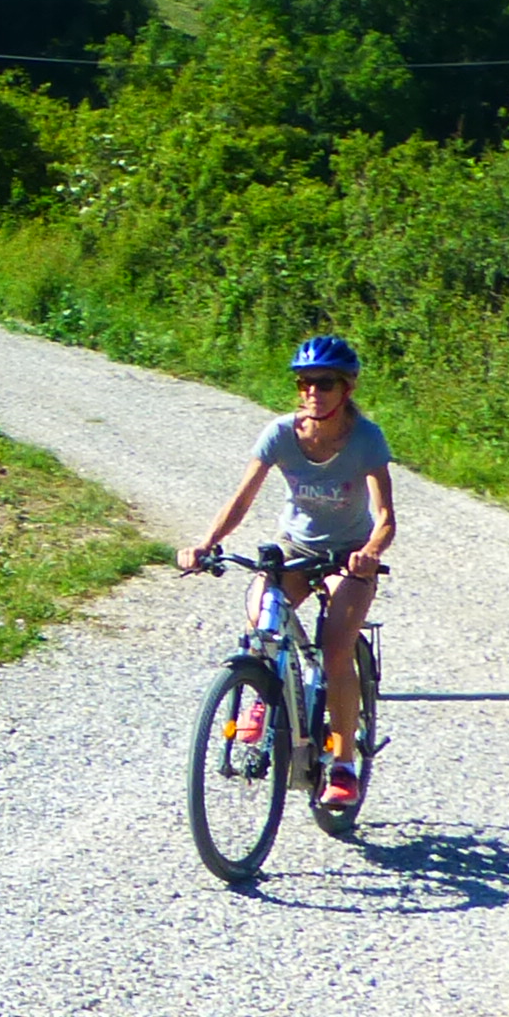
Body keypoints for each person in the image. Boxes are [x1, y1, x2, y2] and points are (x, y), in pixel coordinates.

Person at [180, 333, 396, 809]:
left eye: (324, 383)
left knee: (336, 651)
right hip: (294, 548)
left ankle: (342, 765)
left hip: (348, 553)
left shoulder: (366, 439)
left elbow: (385, 518)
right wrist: (206, 543)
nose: (312, 392)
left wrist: (371, 552)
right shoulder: (280, 434)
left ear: (347, 389)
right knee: (262, 623)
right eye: (304, 383)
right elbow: (243, 498)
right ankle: (263, 693)